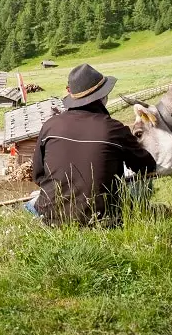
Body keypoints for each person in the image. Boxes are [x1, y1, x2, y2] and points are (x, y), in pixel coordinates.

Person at [27, 63, 156, 226]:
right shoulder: (114, 129)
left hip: (50, 218)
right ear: (102, 97)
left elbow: (38, 176)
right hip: (101, 220)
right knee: (140, 189)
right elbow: (147, 167)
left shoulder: (50, 125)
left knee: (31, 204)